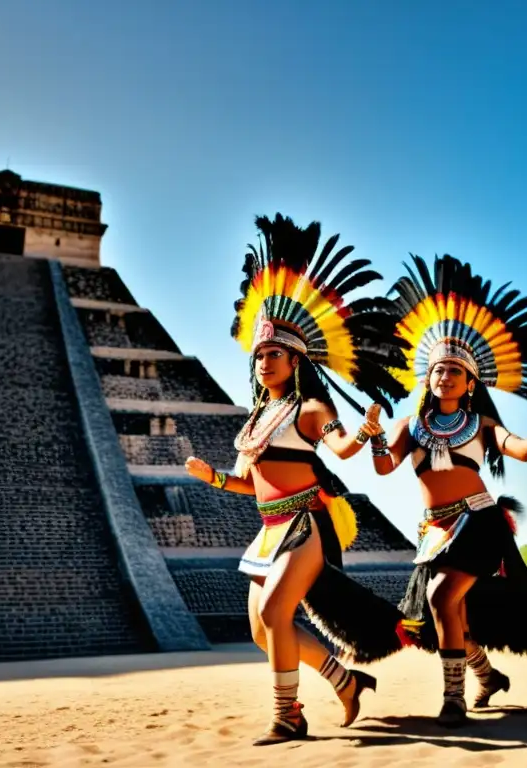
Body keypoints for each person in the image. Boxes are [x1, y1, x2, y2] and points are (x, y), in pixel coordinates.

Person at [185, 214, 413, 745]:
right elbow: (250, 483)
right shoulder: (256, 417)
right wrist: (213, 478)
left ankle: (288, 716)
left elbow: (341, 448)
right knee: (262, 631)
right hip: (267, 529)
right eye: (260, 354)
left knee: (274, 611)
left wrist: (366, 432)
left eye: (275, 354)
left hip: (305, 524)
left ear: (295, 359)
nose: (265, 361)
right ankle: (345, 679)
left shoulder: (310, 408)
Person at [367, 254, 527, 727]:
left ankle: (453, 699)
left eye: (454, 372)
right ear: (429, 377)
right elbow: (382, 468)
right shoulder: (409, 426)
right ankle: (487, 675)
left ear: (470, 380)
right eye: (439, 370)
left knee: (441, 600)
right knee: (444, 614)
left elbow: (520, 451)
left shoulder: (481, 424)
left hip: (479, 522)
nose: (445, 377)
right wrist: (374, 433)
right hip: (434, 530)